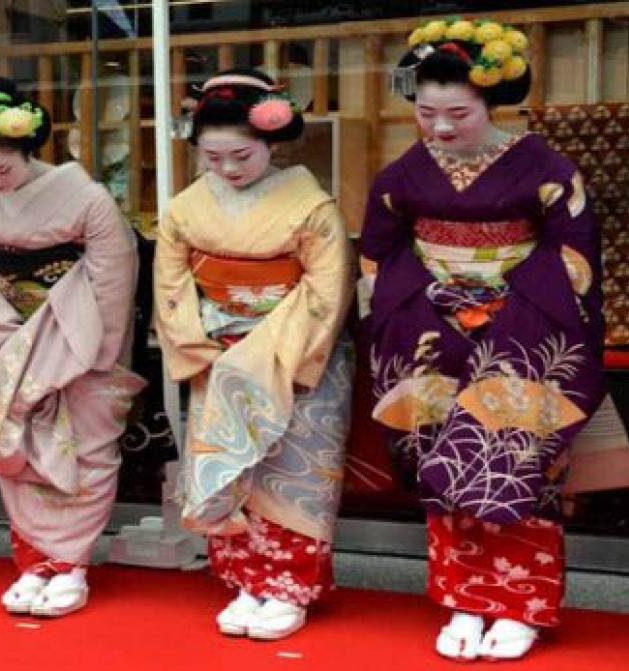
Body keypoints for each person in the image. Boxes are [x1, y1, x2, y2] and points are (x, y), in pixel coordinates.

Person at [359, 18, 603, 661]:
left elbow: (573, 254)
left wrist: (507, 305)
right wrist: (429, 302)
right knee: (442, 462)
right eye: (427, 113)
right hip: (428, 330)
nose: (440, 128)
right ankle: (464, 596)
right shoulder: (401, 176)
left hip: (524, 326)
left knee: (519, 460)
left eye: (457, 114)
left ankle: (521, 604)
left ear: (492, 101)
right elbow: (380, 257)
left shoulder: (546, 168)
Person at [153, 69, 354, 640]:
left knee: (294, 471)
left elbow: (325, 293)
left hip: (294, 356)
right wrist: (200, 345)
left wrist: (262, 352)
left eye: (240, 155)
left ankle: (289, 587)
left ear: (273, 141)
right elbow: (171, 287)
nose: (227, 169)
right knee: (232, 467)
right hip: (216, 354)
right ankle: (244, 579)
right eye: (212, 159)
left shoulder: (314, 208)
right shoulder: (186, 208)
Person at [0, 76, 144, 617]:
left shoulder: (87, 199)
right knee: (17, 446)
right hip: (7, 336)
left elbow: (112, 279)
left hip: (79, 331)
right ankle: (33, 563)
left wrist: (93, 356)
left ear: (28, 144)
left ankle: (71, 565)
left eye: (1, 168)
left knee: (89, 447)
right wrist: (2, 341)